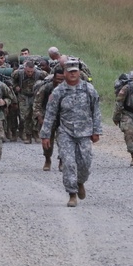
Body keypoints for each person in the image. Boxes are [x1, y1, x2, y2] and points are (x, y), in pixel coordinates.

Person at [40, 59, 102, 207]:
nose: (72, 74)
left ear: (79, 72)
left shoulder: (89, 89)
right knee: (68, 163)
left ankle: (80, 182)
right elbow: (50, 114)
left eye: (75, 71)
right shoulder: (58, 91)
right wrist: (45, 135)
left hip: (84, 132)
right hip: (65, 132)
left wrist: (96, 131)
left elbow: (96, 111)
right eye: (69, 71)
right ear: (65, 73)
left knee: (85, 163)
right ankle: (72, 194)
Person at [33, 65, 64, 170]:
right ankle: (47, 159)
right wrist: (39, 117)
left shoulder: (67, 89)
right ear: (53, 78)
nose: (59, 81)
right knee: (47, 142)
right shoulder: (46, 88)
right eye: (58, 79)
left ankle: (62, 161)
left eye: (62, 79)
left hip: (63, 120)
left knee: (63, 141)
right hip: (48, 118)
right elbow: (37, 104)